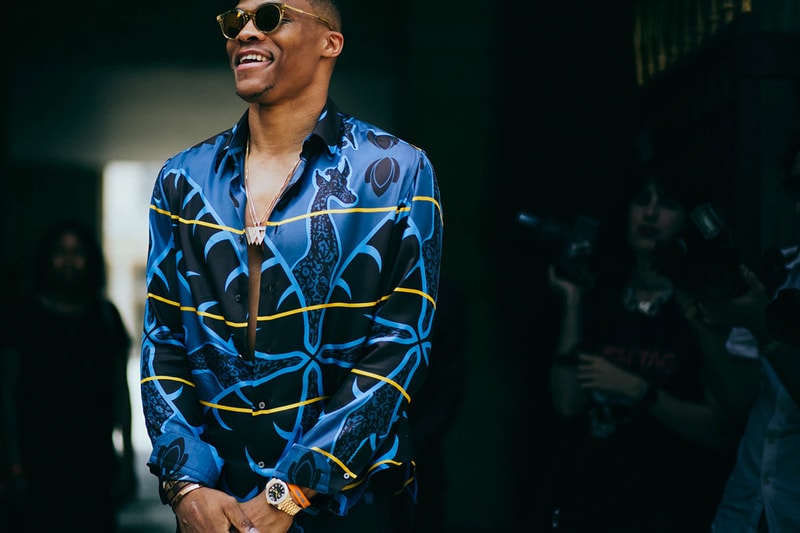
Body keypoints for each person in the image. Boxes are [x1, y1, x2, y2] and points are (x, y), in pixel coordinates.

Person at [139, 2, 443, 533]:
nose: (246, 32)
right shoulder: (181, 180)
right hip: (216, 512)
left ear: (331, 43)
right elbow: (163, 340)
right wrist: (185, 487)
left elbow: (400, 348)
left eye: (271, 15)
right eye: (235, 22)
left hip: (349, 507)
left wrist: (290, 493)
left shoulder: (397, 170)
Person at [542, 167, 738, 532]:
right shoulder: (605, 300)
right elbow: (568, 403)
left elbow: (722, 432)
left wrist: (638, 390)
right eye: (641, 201)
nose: (649, 213)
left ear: (687, 219)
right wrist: (572, 303)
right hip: (591, 506)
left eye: (666, 204)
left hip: (670, 509)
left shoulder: (699, 310)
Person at [683, 127, 800, 532]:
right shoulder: (776, 274)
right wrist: (706, 332)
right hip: (744, 512)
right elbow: (738, 408)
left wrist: (762, 328)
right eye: (799, 187)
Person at [0, 219, 136, 532]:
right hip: (37, 464)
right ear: (46, 259)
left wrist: (127, 460)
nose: (69, 261)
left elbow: (120, 392)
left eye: (77, 252)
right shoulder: (22, 316)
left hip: (93, 464)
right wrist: (13, 465)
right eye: (60, 252)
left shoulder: (105, 317)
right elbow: (7, 392)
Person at [407, 275, 468, 533]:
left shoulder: (444, 293)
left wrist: (408, 448)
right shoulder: (356, 277)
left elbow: (451, 388)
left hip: (418, 458)